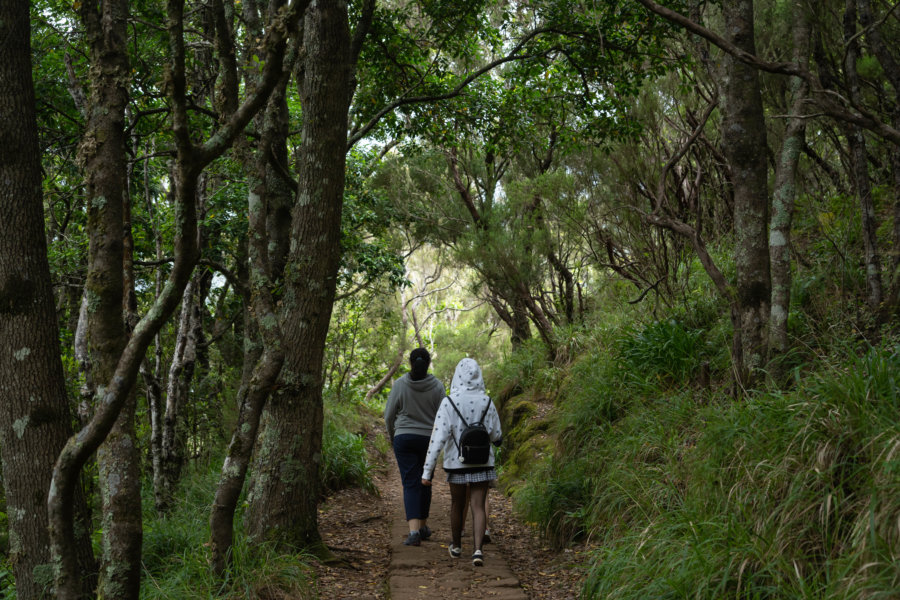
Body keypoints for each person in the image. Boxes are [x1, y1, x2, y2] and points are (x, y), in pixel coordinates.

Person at [422, 357, 502, 566]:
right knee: (478, 506)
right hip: (483, 462)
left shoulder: (448, 402)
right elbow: (496, 435)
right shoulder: (488, 401)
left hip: (456, 462)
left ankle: (456, 546)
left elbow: (437, 438)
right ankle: (477, 551)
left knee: (457, 503)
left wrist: (427, 472)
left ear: (457, 376)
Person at [384, 347, 446, 546]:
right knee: (425, 480)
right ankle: (422, 527)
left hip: (405, 437)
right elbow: (444, 416)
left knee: (410, 483)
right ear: (428, 364)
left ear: (410, 363)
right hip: (429, 440)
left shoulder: (400, 384)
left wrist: (394, 436)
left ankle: (414, 533)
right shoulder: (437, 386)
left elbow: (388, 415)